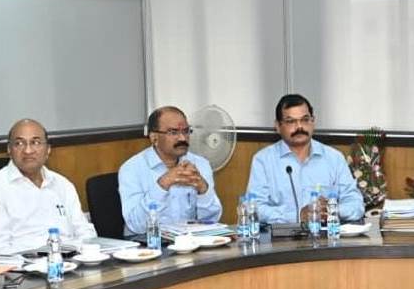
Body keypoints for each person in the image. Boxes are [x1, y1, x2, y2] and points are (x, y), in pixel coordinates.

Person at [0, 119, 97, 256]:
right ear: (9, 149)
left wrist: (78, 252)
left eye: (36, 142)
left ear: (48, 149)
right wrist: (41, 256)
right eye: (19, 143)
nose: (28, 150)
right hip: (24, 266)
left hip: (72, 260)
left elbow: (85, 233)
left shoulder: (63, 184)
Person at [246, 94, 363, 224]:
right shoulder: (263, 160)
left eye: (305, 119)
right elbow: (254, 208)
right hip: (282, 235)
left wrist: (331, 210)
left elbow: (356, 204)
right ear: (278, 126)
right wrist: (298, 216)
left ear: (313, 121)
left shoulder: (334, 158)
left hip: (326, 234)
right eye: (291, 121)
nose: (299, 127)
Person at [119, 106, 222, 235]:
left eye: (186, 131)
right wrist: (162, 184)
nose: (182, 138)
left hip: (189, 241)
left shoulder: (200, 165)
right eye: (173, 132)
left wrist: (203, 190)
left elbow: (211, 221)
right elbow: (136, 226)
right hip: (147, 243)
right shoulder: (132, 169)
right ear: (154, 137)